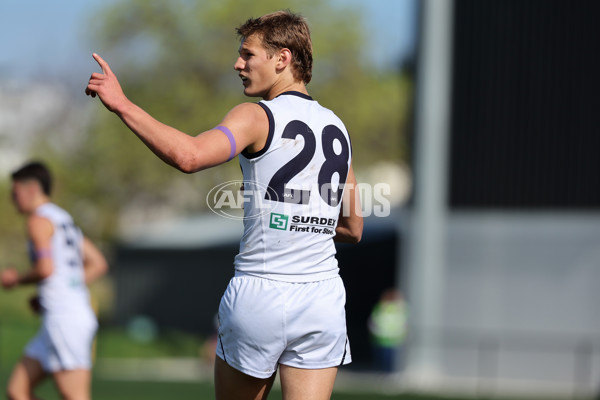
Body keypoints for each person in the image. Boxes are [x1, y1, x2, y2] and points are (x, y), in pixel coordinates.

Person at [85, 10, 362, 400]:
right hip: (322, 299)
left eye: (248, 54)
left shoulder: (256, 116)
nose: (238, 64)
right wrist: (305, 221)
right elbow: (353, 227)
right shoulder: (336, 126)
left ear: (281, 58)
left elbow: (190, 156)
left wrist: (123, 105)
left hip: (262, 293)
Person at [1, 161, 108, 400]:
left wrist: (15, 279)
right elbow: (98, 263)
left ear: (31, 189)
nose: (12, 198)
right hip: (61, 317)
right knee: (17, 391)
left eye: (15, 191)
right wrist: (65, 288)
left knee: (75, 396)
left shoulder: (38, 221)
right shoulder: (63, 219)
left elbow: (45, 268)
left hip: (65, 320)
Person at [368, 289, 408, 373]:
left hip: (394, 339)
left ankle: (391, 373)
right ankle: (383, 373)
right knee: (382, 358)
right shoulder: (380, 307)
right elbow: (373, 321)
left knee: (392, 359)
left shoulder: (401, 308)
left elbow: (405, 323)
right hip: (382, 338)